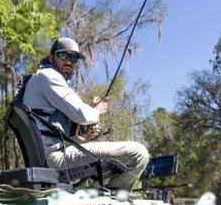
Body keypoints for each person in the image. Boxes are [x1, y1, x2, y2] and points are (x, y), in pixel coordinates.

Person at [18, 37, 149, 190]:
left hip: (51, 156)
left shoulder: (41, 79)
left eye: (74, 58)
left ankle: (99, 193)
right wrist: (97, 110)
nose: (69, 61)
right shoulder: (47, 76)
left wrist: (84, 137)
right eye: (63, 55)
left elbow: (53, 130)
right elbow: (82, 115)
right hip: (56, 158)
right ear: (51, 57)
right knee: (138, 153)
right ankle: (113, 197)